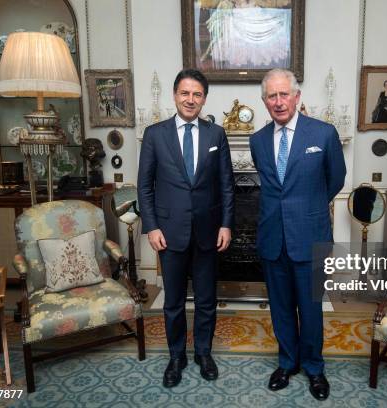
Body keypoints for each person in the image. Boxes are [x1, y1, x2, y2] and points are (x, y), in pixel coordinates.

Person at [249, 68, 346, 401]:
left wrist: (308, 209)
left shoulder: (323, 134)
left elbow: (336, 181)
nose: (278, 102)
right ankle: (287, 362)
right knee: (280, 307)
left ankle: (315, 368)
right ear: (265, 101)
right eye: (271, 96)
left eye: (283, 94)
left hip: (310, 235)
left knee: (311, 308)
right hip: (273, 238)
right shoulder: (257, 140)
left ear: (296, 96)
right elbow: (271, 186)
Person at [137, 69, 234, 388]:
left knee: (206, 299)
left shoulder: (215, 134)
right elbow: (144, 187)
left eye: (197, 94)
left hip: (209, 231)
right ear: (174, 95)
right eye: (185, 93)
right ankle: (176, 355)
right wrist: (151, 227)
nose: (191, 99)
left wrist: (226, 224)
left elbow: (227, 185)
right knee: (173, 301)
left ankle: (203, 353)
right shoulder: (154, 134)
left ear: (204, 99)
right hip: (169, 232)